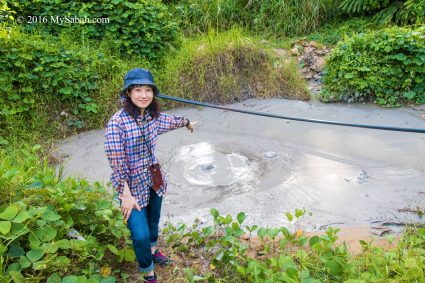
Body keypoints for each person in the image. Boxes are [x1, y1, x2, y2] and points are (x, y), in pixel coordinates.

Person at [104, 68, 196, 283]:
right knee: (140, 234)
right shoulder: (117, 123)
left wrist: (188, 122)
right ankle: (148, 271)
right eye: (138, 90)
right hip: (130, 185)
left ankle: (154, 252)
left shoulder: (154, 118)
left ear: (154, 93)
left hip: (154, 180)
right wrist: (125, 194)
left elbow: (172, 121)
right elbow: (116, 164)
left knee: (153, 222)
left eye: (148, 90)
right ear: (128, 93)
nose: (143, 95)